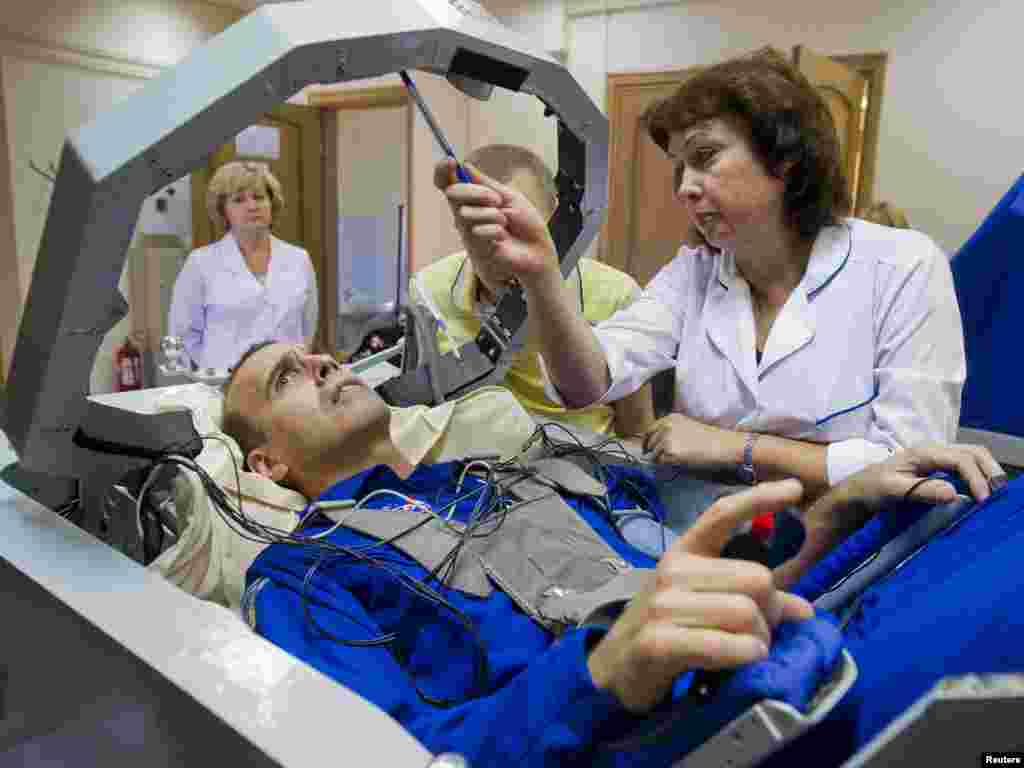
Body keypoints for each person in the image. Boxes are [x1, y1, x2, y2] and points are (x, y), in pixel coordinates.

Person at [219, 341, 1003, 767]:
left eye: (321, 355)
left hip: (774, 654)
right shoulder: (301, 575)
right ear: (268, 467)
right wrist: (597, 675)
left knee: (971, 511)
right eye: (288, 376)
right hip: (650, 736)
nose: (325, 363)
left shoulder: (515, 471)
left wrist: (840, 513)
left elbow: (714, 593)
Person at [436, 48, 965, 502]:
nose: (685, 187)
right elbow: (585, 383)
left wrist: (735, 447)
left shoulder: (903, 266)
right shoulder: (693, 275)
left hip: (853, 550)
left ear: (784, 158)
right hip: (701, 533)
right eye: (678, 168)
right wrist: (542, 273)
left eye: (705, 157)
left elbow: (911, 464)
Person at [412, 144, 655, 438]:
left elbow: (638, 433)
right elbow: (425, 411)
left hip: (587, 468)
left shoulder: (616, 294)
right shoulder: (428, 290)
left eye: (514, 221)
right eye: (481, 222)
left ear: (555, 213)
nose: (500, 243)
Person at [168, 161, 318, 371]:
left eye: (259, 197)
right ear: (223, 211)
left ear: (272, 204)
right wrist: (216, 373)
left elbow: (307, 328)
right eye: (239, 200)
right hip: (224, 386)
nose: (252, 206)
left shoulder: (299, 259)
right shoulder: (201, 263)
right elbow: (183, 335)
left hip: (288, 383)